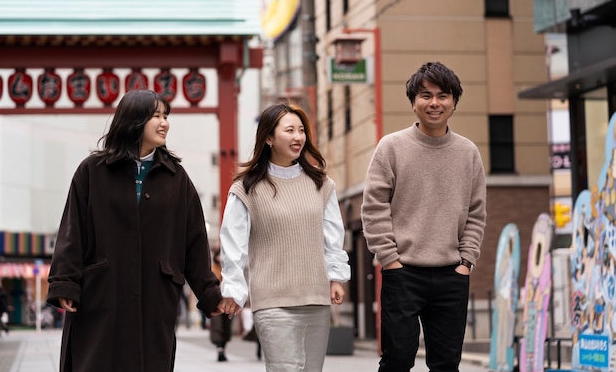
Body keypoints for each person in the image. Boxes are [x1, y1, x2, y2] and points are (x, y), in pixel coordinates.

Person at [46, 89, 223, 372]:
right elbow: (72, 230)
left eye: (166, 116)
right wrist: (65, 282)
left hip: (156, 295)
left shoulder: (176, 178)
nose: (164, 122)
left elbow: (194, 240)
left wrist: (209, 292)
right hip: (102, 292)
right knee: (95, 361)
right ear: (133, 119)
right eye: (156, 116)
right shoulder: (92, 171)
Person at [361, 61, 487, 372]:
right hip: (402, 273)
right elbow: (374, 206)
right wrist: (389, 259)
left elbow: (476, 212)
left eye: (443, 95)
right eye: (425, 95)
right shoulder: (391, 147)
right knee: (397, 360)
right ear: (413, 102)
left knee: (446, 364)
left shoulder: (468, 152)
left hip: (451, 274)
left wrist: (466, 261)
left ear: (454, 101)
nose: (434, 103)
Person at [218, 103, 351, 372]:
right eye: (289, 130)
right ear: (268, 137)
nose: (298, 137)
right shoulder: (247, 188)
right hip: (273, 301)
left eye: (301, 130)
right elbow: (233, 243)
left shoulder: (321, 184)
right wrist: (233, 289)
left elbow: (333, 237)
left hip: (315, 299)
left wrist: (336, 276)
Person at [209, 248, 232, 361]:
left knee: (226, 326)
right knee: (217, 326)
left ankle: (223, 349)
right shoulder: (213, 269)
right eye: (219, 256)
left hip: (228, 301)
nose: (220, 258)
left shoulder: (228, 269)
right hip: (216, 301)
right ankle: (219, 350)